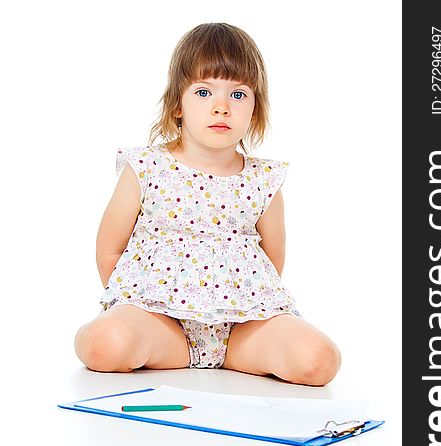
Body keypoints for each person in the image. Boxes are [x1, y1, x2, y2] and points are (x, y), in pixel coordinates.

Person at [74, 22, 341, 386]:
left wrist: (241, 310)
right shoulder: (148, 168)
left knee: (320, 360)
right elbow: (109, 249)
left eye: (237, 95)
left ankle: (232, 355)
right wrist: (131, 305)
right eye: (203, 92)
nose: (221, 108)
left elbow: (273, 259)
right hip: (162, 324)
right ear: (177, 105)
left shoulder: (263, 180)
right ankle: (143, 338)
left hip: (241, 330)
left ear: (255, 109)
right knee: (104, 344)